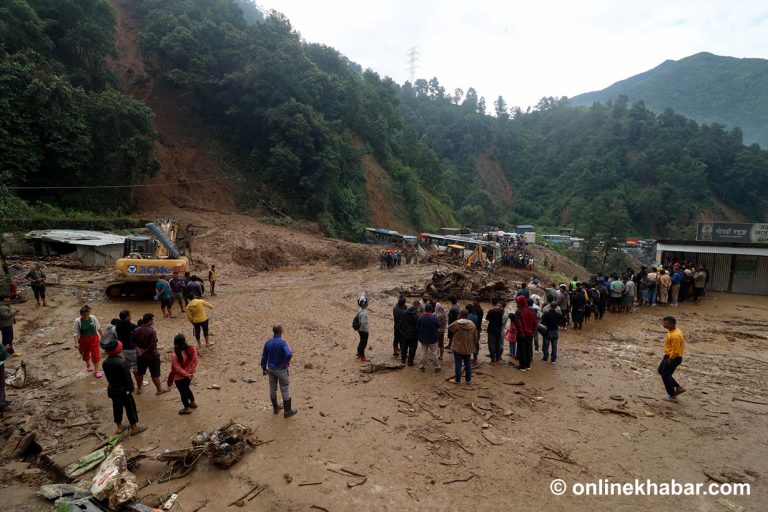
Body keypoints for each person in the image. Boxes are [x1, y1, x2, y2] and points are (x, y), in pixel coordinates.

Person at [101, 338, 146, 435]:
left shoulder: (105, 363)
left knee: (117, 408)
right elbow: (127, 377)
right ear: (118, 350)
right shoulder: (121, 362)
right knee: (130, 408)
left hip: (113, 389)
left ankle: (119, 427)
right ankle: (134, 428)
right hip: (124, 390)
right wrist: (130, 388)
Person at [261, 324, 297, 417]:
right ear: (281, 331)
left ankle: (275, 408)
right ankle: (287, 411)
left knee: (272, 388)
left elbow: (264, 356)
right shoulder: (283, 342)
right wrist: (285, 362)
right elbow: (289, 353)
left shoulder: (268, 342)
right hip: (281, 369)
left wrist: (264, 368)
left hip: (271, 369)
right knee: (284, 389)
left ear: (274, 331)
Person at [132, 313, 166, 395]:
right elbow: (152, 344)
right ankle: (159, 390)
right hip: (152, 356)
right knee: (155, 374)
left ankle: (139, 389)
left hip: (140, 356)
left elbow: (132, 343)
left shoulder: (135, 330)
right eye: (152, 320)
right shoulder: (151, 331)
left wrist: (139, 349)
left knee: (140, 372)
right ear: (150, 321)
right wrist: (145, 350)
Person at [168, 334, 199, 415]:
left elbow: (177, 368)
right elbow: (195, 360)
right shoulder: (192, 349)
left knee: (183, 392)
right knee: (187, 388)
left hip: (179, 377)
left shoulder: (175, 354)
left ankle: (186, 408)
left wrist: (185, 374)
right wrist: (190, 372)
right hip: (189, 374)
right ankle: (192, 403)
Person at [72, 305, 104, 378]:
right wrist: (76, 342)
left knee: (95, 354)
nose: (86, 316)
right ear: (81, 314)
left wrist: (102, 335)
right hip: (83, 340)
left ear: (89, 313)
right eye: (84, 315)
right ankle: (88, 365)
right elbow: (75, 332)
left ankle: (97, 371)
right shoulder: (77, 321)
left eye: (87, 315)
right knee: (85, 354)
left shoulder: (93, 318)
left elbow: (98, 327)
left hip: (94, 338)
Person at [659, 316, 685, 402]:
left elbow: (675, 350)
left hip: (673, 357)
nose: (664, 325)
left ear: (672, 324)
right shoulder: (673, 330)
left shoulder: (676, 335)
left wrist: (670, 359)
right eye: (663, 322)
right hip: (668, 355)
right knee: (660, 370)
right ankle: (678, 387)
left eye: (666, 323)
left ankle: (673, 396)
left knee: (665, 376)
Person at [111, 311, 140, 389]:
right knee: (136, 367)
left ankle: (129, 384)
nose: (130, 317)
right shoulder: (129, 326)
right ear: (127, 317)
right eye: (129, 316)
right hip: (132, 349)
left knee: (127, 367)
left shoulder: (118, 325)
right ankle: (139, 387)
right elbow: (138, 329)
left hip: (123, 349)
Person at [448, 309, 476, 384]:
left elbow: (450, 328)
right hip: (468, 347)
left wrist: (457, 321)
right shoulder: (472, 324)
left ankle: (457, 380)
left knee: (458, 364)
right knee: (468, 363)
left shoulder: (457, 323)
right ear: (468, 316)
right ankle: (468, 380)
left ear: (460, 315)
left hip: (458, 347)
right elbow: (475, 337)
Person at [514, 296, 537, 371]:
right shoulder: (532, 311)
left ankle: (522, 366)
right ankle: (528, 365)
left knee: (521, 349)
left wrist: (521, 332)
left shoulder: (519, 311)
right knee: (529, 349)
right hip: (530, 334)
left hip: (522, 334)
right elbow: (535, 323)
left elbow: (518, 324)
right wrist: (533, 332)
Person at [417, 303, 441, 372]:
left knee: (423, 353)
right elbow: (438, 326)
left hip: (423, 338)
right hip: (433, 339)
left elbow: (417, 328)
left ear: (425, 309)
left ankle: (422, 366)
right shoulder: (434, 318)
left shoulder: (420, 317)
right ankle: (437, 367)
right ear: (431, 310)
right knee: (434, 353)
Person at [398, 300, 420, 366]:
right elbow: (418, 326)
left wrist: (401, 331)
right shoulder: (417, 316)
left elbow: (400, 323)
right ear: (418, 306)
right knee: (412, 349)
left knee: (404, 347)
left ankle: (403, 360)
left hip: (404, 334)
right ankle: (410, 362)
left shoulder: (404, 312)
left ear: (412, 304)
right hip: (413, 335)